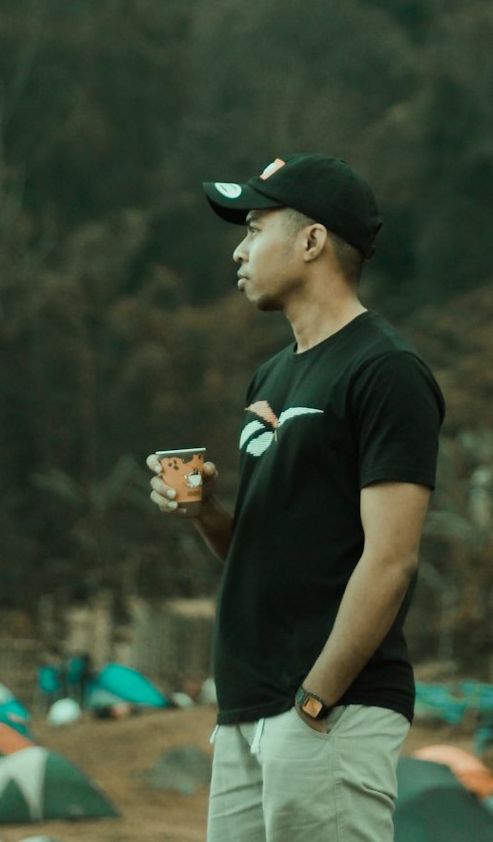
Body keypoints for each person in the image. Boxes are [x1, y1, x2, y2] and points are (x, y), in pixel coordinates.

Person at [148, 153, 445, 842]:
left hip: (325, 711)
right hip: (246, 709)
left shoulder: (385, 371)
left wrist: (316, 698)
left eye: (254, 227)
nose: (238, 248)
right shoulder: (272, 377)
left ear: (311, 241)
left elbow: (390, 557)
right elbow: (264, 547)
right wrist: (208, 514)